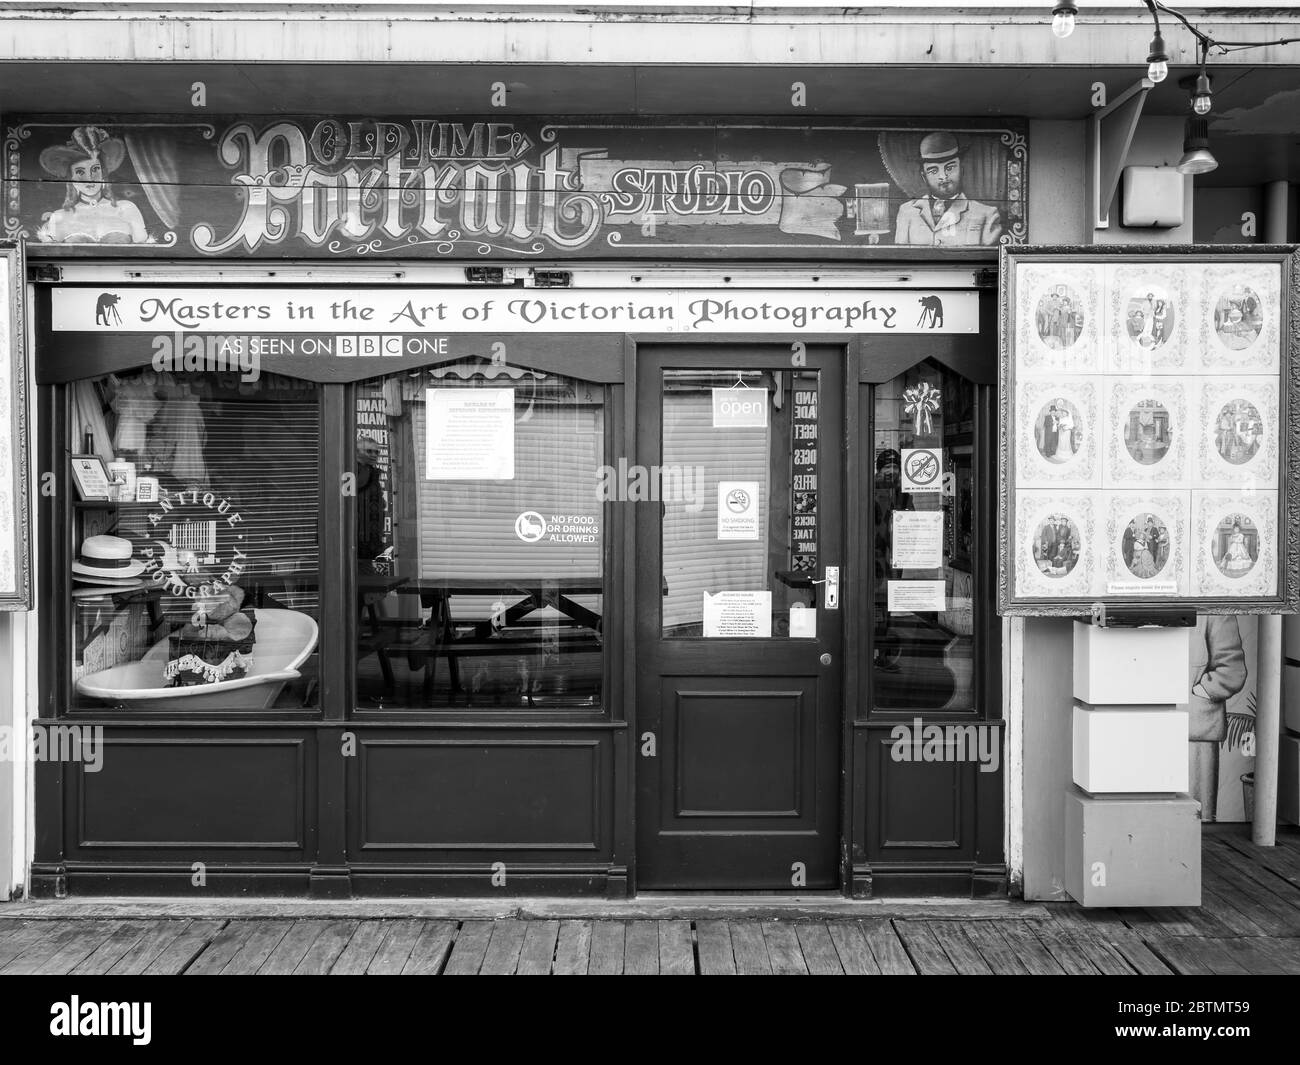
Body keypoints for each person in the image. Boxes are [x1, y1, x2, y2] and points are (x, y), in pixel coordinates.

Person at [36, 126, 151, 244]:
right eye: (80, 172)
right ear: (72, 179)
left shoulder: (126, 209)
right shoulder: (59, 217)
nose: (89, 178)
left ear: (103, 174)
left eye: (95, 169)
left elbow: (146, 251)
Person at [1186, 616, 1247, 822]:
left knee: (1197, 818)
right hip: (1149, 724)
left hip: (1196, 731)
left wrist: (1202, 691)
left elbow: (1232, 668)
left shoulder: (1214, 609)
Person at [893, 132, 1003, 247]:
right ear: (924, 176)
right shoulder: (907, 212)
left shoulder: (987, 215)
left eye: (950, 168)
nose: (943, 176)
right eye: (933, 171)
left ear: (961, 169)